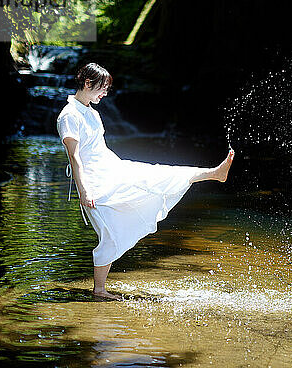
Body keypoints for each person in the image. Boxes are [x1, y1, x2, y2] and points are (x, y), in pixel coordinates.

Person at [56, 62, 234, 300]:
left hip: (110, 169)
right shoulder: (69, 115)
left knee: (155, 176)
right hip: (96, 182)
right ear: (88, 84)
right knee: (111, 233)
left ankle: (213, 173)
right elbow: (75, 157)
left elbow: (99, 149)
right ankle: (99, 289)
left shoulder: (92, 113)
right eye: (102, 88)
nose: (105, 94)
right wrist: (84, 191)